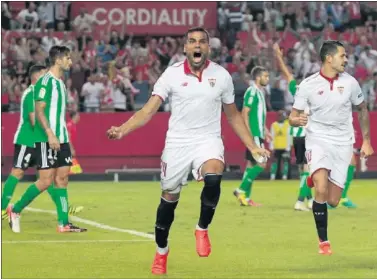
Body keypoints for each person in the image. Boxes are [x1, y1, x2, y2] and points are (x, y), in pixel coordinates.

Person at [107, 27, 270, 275]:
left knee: (214, 174)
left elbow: (234, 116)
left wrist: (253, 146)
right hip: (177, 144)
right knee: (169, 199)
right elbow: (148, 110)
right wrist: (122, 129)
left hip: (208, 140)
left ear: (208, 48)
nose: (197, 45)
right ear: (185, 48)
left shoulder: (222, 76)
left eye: (202, 42)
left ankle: (202, 228)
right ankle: (161, 251)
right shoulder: (171, 75)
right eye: (192, 42)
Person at [289, 40, 374, 255]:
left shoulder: (351, 83)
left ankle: (316, 177)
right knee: (320, 188)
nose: (346, 59)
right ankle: (323, 242)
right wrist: (295, 121)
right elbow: (293, 115)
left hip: (343, 142)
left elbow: (362, 109)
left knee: (333, 201)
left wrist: (366, 140)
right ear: (329, 58)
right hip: (317, 139)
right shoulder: (308, 85)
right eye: (343, 56)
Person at [7, 46, 87, 233]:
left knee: (63, 178)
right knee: (45, 181)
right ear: (58, 60)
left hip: (62, 138)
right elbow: (39, 110)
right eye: (67, 58)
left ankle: (63, 223)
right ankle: (15, 210)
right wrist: (50, 133)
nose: (70, 61)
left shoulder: (60, 83)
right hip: (46, 138)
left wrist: (61, 136)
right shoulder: (45, 82)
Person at [273, 43, 313, 211]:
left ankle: (310, 200)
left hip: (297, 135)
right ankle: (299, 201)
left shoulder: (299, 91)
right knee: (309, 171)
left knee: (305, 169)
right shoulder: (318, 97)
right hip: (307, 135)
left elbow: (287, 74)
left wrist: (278, 56)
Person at [233, 66, 270, 207]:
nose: (267, 79)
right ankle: (240, 189)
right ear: (258, 77)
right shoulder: (252, 91)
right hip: (253, 135)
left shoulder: (260, 92)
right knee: (262, 164)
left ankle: (246, 198)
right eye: (265, 76)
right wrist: (248, 134)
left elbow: (258, 115)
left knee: (251, 165)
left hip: (258, 133)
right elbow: (245, 112)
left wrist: (265, 130)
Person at [269, 110, 291, 181]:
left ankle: (284, 176)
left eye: (283, 116)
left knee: (285, 161)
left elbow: (289, 136)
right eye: (280, 115)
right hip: (276, 146)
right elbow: (272, 135)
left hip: (285, 147)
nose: (282, 117)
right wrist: (271, 146)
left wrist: (288, 147)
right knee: (274, 161)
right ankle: (272, 176)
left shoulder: (287, 125)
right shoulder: (274, 125)